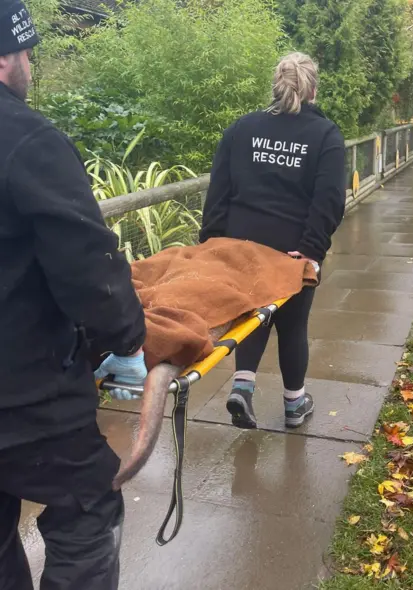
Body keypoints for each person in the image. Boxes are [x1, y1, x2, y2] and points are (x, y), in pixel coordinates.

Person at [0, 1, 148, 588]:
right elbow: (89, 267)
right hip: (27, 395)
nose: (29, 64)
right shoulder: (26, 138)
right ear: (6, 58)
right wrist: (126, 339)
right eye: (26, 52)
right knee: (86, 509)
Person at [200, 52, 346, 430]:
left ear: (276, 85)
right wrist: (313, 249)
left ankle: (242, 389)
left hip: (241, 248)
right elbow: (328, 199)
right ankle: (294, 405)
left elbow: (218, 191)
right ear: (313, 89)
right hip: (291, 252)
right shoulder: (325, 136)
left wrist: (213, 243)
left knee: (251, 317)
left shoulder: (241, 129)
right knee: (293, 326)